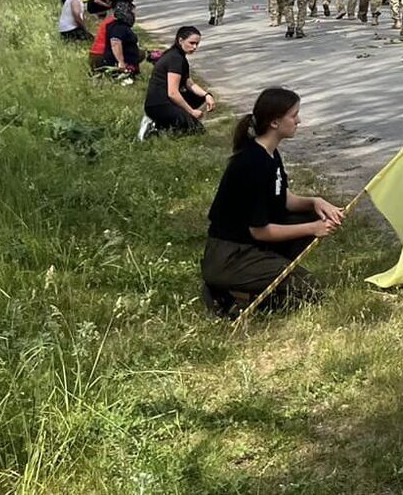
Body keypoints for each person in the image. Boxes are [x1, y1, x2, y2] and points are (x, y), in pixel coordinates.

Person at [201, 87, 344, 314]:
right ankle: (228, 293)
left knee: (312, 215)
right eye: (293, 115)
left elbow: (283, 199)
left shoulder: (270, 154)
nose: (299, 120)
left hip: (250, 245)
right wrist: (313, 228)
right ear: (275, 123)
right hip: (231, 256)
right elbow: (260, 231)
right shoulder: (252, 163)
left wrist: (315, 202)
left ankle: (263, 274)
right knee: (309, 289)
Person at [142, 25, 216, 138]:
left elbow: (189, 83)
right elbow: (172, 93)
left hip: (166, 101)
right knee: (196, 132)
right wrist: (191, 112)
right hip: (159, 105)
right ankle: (156, 125)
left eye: (197, 44)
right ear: (180, 40)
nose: (195, 47)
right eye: (191, 43)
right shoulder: (175, 59)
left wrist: (207, 95)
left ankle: (168, 122)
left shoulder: (179, 57)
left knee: (199, 96)